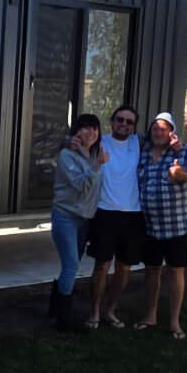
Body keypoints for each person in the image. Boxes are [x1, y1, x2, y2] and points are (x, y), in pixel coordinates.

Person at [135, 111, 187, 340]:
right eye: (155, 129)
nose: (158, 133)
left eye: (163, 129)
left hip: (178, 227)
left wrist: (184, 176)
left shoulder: (185, 152)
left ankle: (174, 322)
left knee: (176, 272)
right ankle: (150, 316)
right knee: (151, 271)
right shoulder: (143, 152)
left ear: (171, 132)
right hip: (150, 226)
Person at [85, 104, 143, 329]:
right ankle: (94, 312)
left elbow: (165, 143)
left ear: (134, 126)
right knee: (101, 266)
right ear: (112, 121)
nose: (124, 124)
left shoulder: (139, 144)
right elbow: (73, 144)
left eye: (129, 122)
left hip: (132, 214)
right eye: (120, 119)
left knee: (124, 267)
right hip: (104, 212)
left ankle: (110, 310)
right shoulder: (100, 142)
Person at [50, 113, 107, 333]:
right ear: (76, 132)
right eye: (85, 128)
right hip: (65, 216)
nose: (91, 132)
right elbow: (81, 185)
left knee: (70, 266)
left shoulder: (94, 153)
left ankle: (55, 309)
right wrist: (96, 166)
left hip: (85, 219)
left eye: (94, 128)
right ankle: (63, 318)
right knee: (71, 264)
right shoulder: (67, 155)